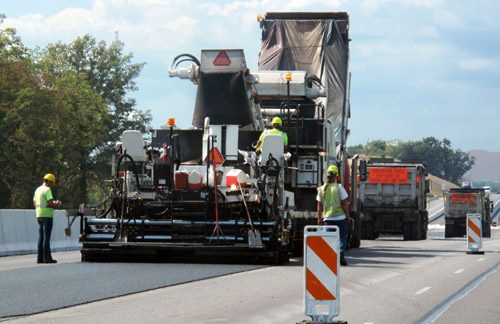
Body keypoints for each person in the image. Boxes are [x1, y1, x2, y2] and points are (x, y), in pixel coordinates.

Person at [317, 165, 351, 266]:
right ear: (336, 176)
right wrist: (348, 217)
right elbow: (345, 204)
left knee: (330, 238)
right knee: (341, 238)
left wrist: (319, 218)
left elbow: (319, 205)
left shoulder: (322, 189)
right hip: (340, 218)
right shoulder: (339, 188)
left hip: (328, 218)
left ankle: (330, 257)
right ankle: (340, 254)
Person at [33, 173, 62, 264]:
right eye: (52, 183)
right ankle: (47, 258)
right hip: (47, 216)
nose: (52, 185)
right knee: (46, 238)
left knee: (41, 237)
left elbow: (34, 203)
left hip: (39, 215)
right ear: (48, 182)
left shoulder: (38, 189)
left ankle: (40, 258)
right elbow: (50, 203)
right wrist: (56, 204)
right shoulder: (47, 190)